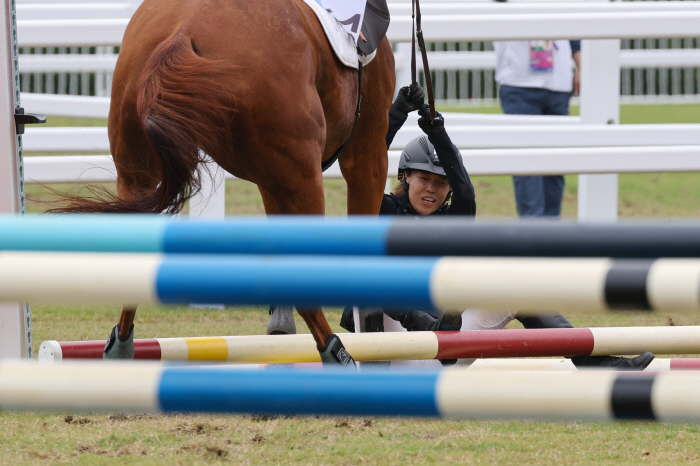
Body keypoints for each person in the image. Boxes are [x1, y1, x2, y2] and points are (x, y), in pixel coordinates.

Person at [493, 39, 581, 217]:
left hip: (558, 82)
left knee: (555, 164)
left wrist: (582, 65)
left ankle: (549, 233)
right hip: (519, 81)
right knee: (526, 162)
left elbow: (570, 25)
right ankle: (532, 234)